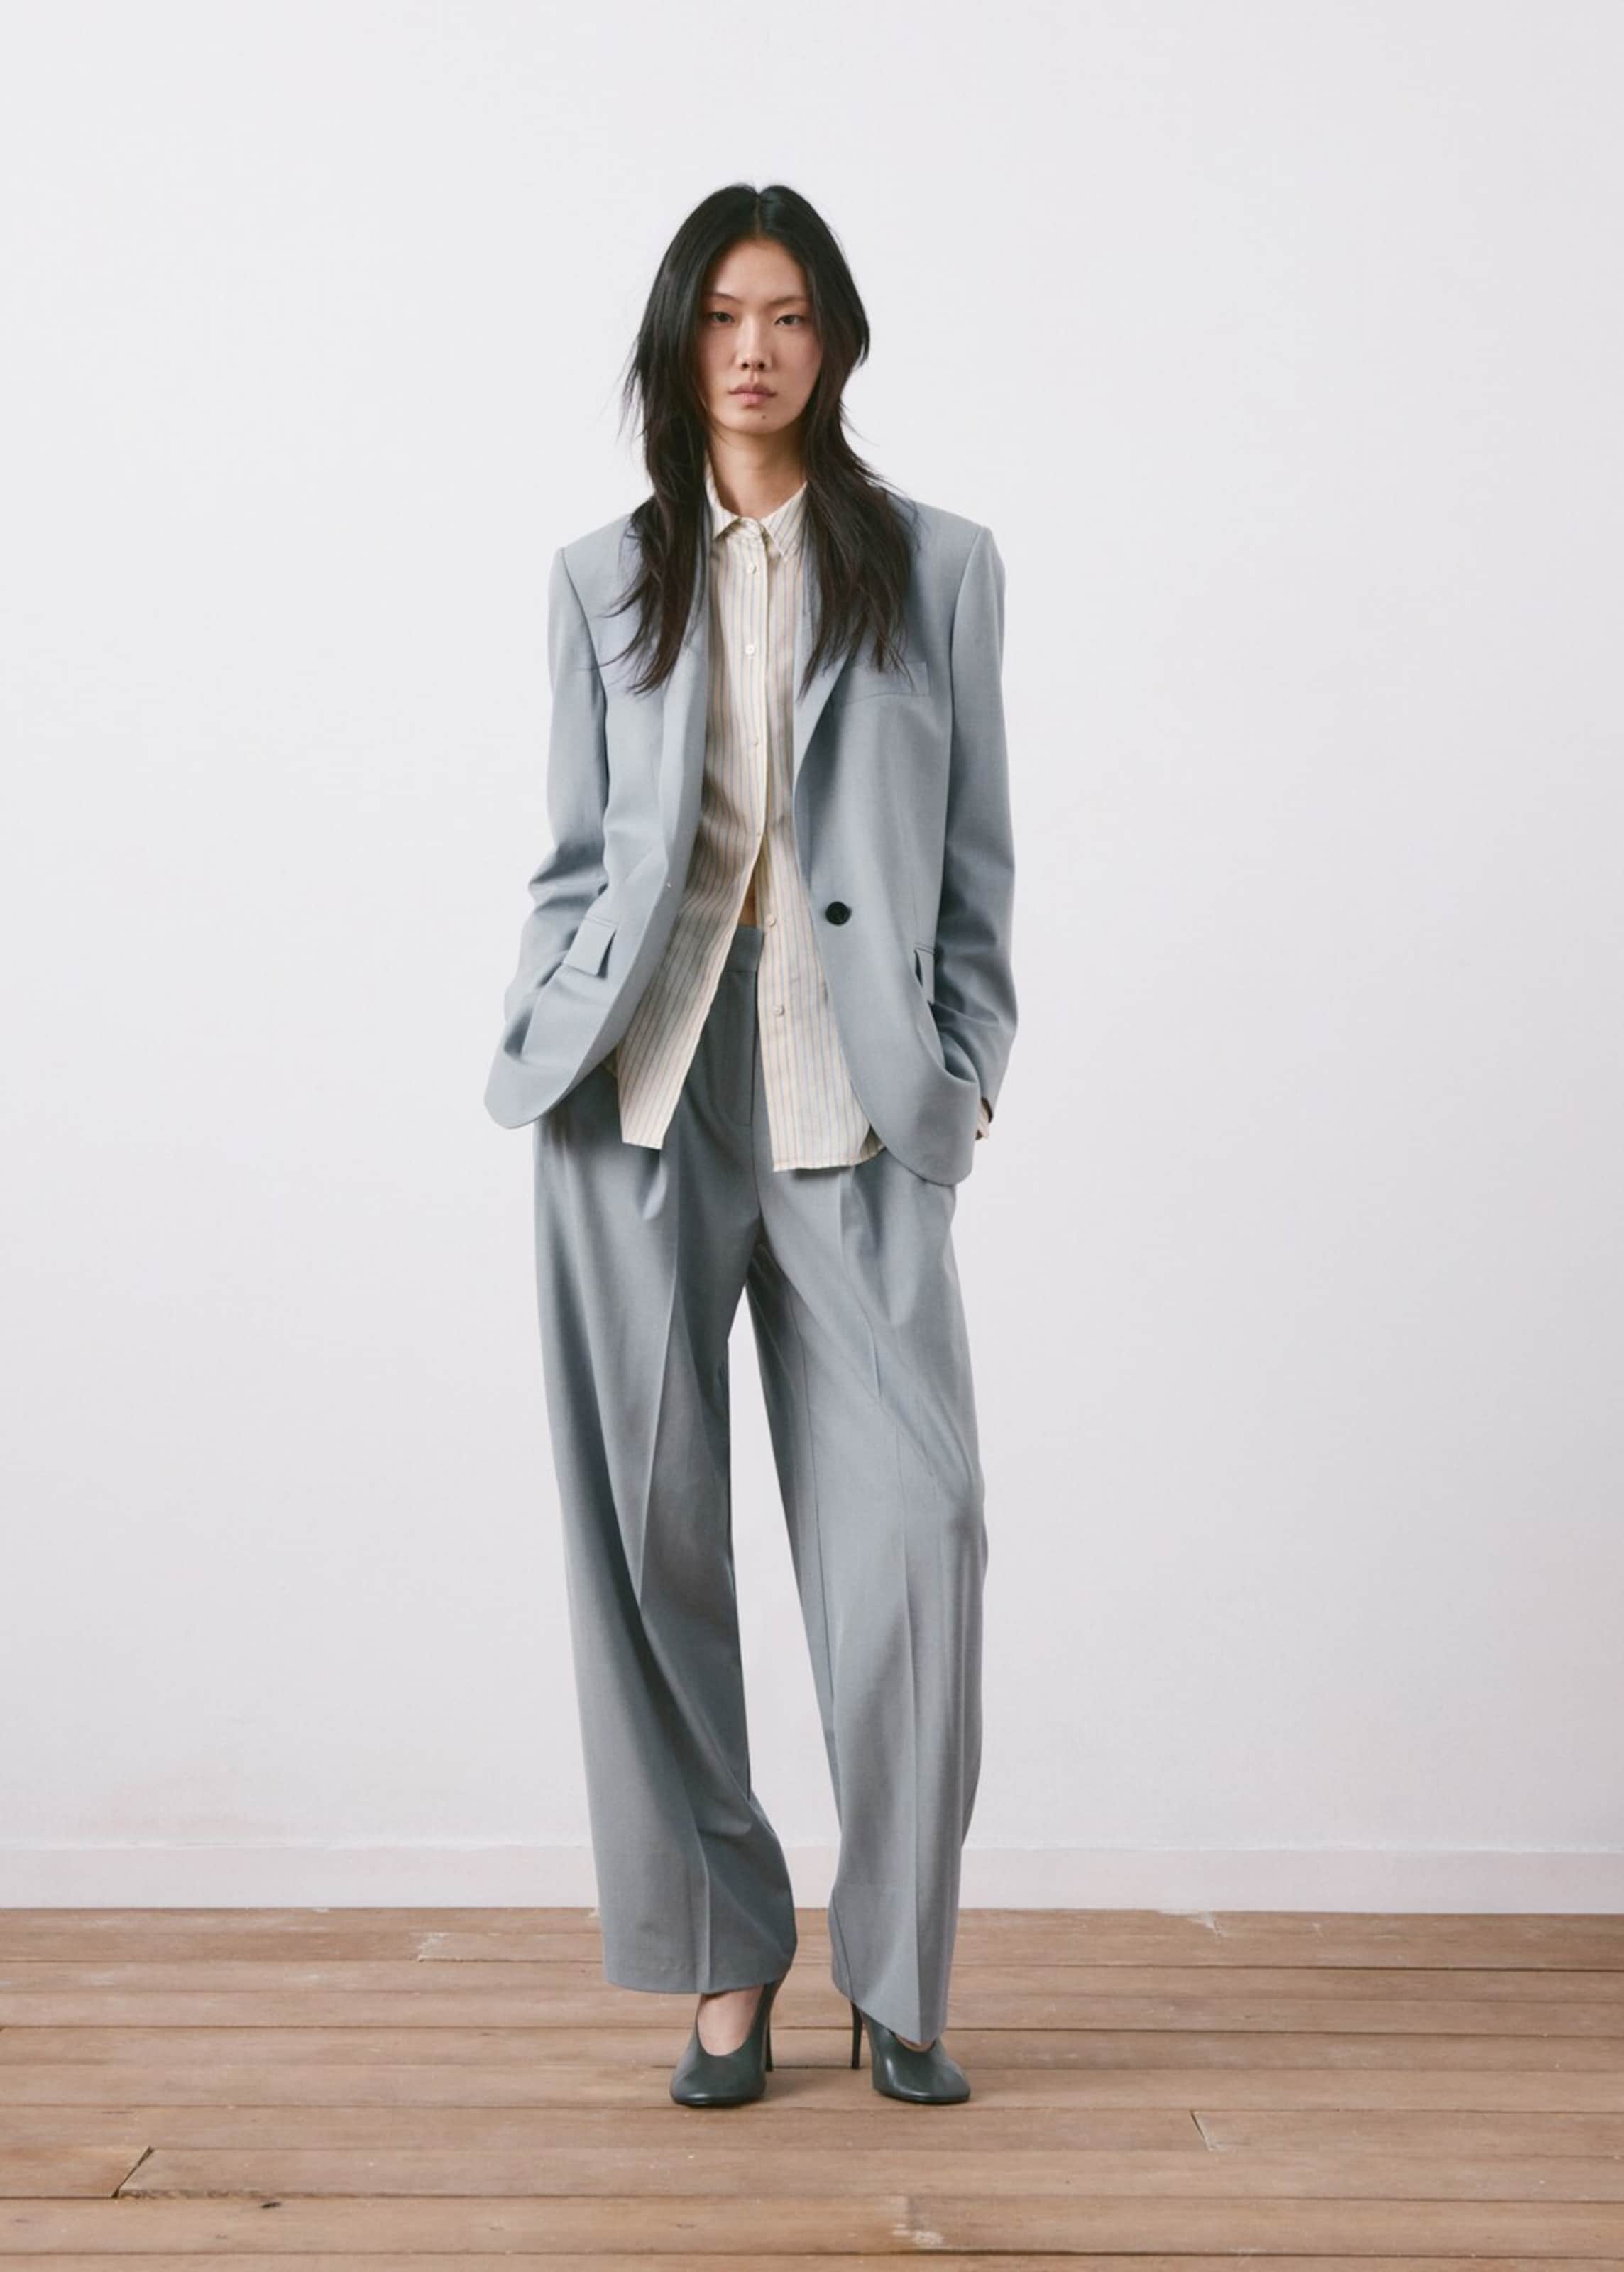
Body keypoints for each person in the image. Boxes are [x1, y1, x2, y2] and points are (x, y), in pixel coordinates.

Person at [484, 182, 1016, 2108]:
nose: (754, 349)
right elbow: (575, 862)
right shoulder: (603, 580)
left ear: (835, 341)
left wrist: (965, 1075)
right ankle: (724, 1955)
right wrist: (542, 1026)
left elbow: (976, 868)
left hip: (854, 1104)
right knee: (649, 1550)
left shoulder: (939, 569)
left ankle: (898, 1969)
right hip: (634, 1103)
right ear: (678, 343)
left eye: (787, 314)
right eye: (722, 316)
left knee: (916, 1540)